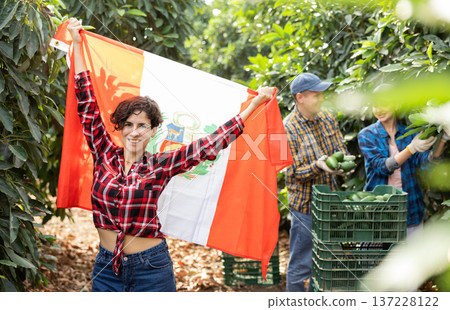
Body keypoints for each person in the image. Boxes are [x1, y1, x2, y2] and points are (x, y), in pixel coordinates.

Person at [67, 18, 275, 292]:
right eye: (128, 124)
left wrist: (255, 103)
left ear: (153, 130)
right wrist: (78, 42)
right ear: (119, 127)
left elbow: (209, 145)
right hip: (107, 268)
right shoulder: (103, 152)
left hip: (151, 269)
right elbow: (86, 100)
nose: (134, 132)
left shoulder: (161, 165)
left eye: (142, 125)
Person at [284, 73, 352, 292]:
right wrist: (318, 165)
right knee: (299, 267)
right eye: (316, 95)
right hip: (305, 207)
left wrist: (342, 163)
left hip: (329, 203)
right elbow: (294, 172)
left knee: (321, 266)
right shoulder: (287, 128)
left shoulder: (328, 117)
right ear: (300, 97)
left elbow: (340, 149)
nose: (322, 99)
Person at [358, 88, 448, 237]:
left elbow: (427, 165)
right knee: (380, 259)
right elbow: (383, 167)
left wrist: (443, 139)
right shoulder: (367, 135)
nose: (379, 109)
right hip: (378, 214)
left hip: (410, 210)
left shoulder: (408, 133)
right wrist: (411, 148)